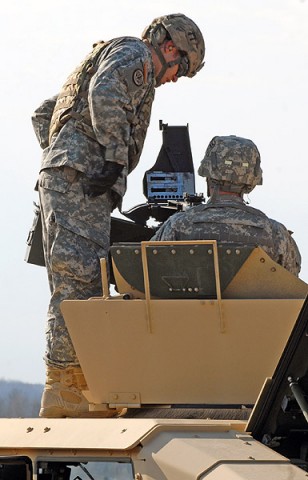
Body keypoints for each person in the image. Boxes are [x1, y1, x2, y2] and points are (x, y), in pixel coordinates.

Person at [31, 14, 205, 419]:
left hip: (70, 181)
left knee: (74, 281)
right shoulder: (135, 56)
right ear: (168, 48)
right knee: (80, 285)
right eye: (182, 68)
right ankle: (67, 392)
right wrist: (108, 159)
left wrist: (61, 159)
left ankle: (72, 388)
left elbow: (45, 113)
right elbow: (105, 92)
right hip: (81, 182)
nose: (176, 79)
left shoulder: (112, 53)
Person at [152, 135, 301, 276]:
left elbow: (149, 271)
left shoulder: (178, 225)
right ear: (251, 182)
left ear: (208, 177)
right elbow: (291, 285)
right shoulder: (275, 233)